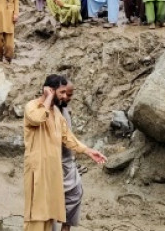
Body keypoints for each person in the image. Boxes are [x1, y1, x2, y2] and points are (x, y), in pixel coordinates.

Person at [23, 74, 105, 231]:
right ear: (50, 91)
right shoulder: (32, 107)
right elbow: (37, 118)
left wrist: (88, 151)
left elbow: (68, 137)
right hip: (37, 170)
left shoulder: (56, 112)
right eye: (61, 92)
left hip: (53, 171)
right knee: (37, 214)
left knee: (49, 212)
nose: (64, 96)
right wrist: (48, 98)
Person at [54, 80, 84, 231]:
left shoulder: (64, 110)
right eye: (64, 94)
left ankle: (65, 228)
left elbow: (68, 138)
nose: (67, 97)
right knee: (50, 204)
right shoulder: (45, 110)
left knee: (75, 194)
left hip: (67, 161)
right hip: (52, 163)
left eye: (70, 94)